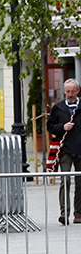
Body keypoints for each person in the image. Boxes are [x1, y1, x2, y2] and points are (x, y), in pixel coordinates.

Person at [49, 79, 81, 225]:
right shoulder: (58, 107)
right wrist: (63, 127)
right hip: (65, 149)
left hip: (80, 148)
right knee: (65, 180)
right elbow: (51, 126)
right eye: (68, 91)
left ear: (78, 91)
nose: (70, 94)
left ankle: (78, 213)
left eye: (73, 91)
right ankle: (64, 212)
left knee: (80, 182)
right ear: (64, 91)